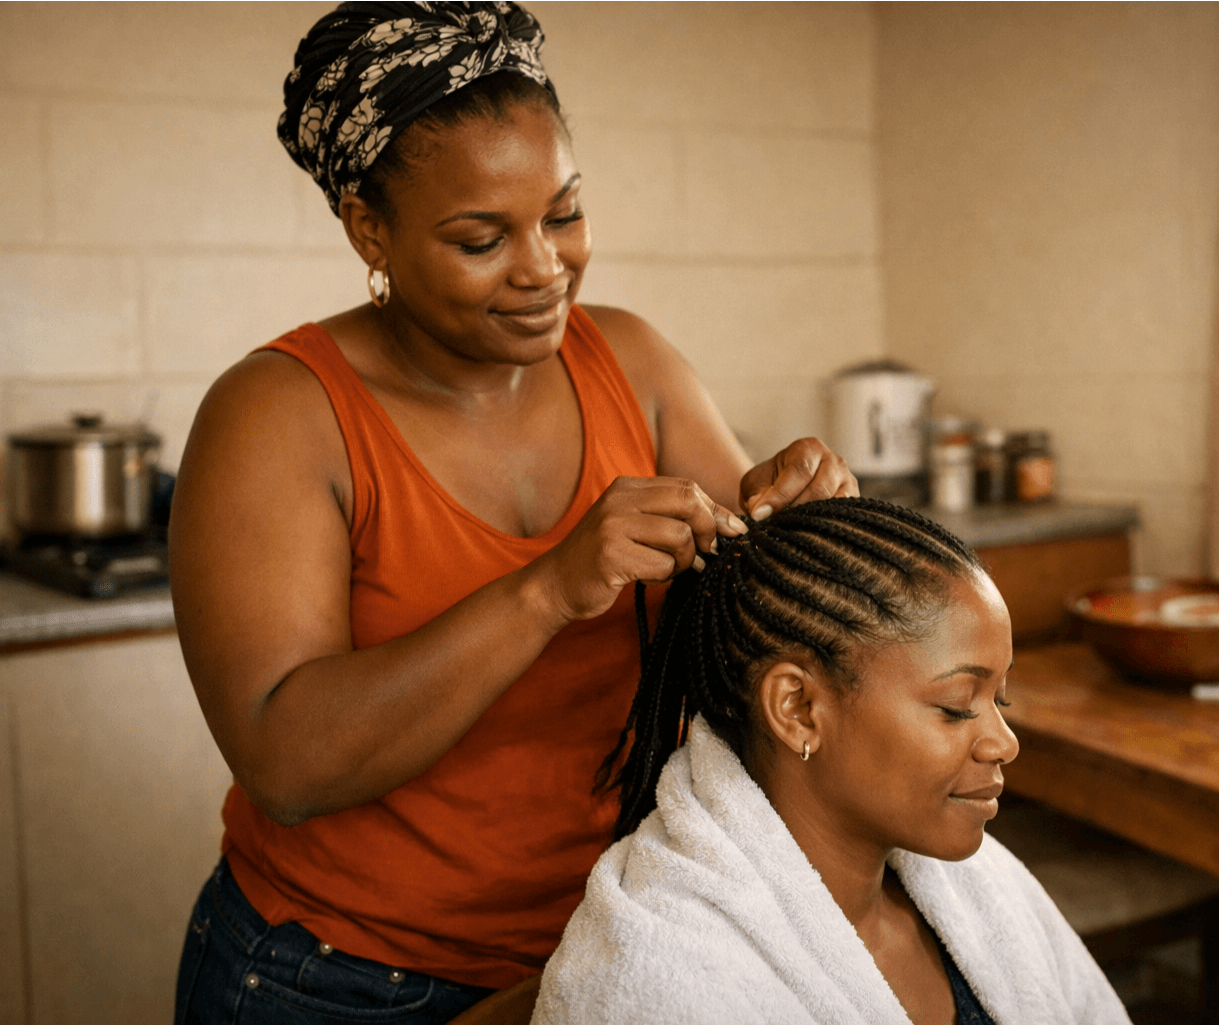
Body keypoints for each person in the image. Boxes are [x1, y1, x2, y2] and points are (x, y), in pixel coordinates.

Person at [168, 3, 855, 1023]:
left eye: (563, 214)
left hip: (611, 943)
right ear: (370, 228)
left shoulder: (634, 361)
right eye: (480, 237)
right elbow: (288, 762)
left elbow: (753, 618)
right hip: (341, 977)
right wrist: (544, 590)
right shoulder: (278, 415)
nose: (543, 267)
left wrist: (804, 524)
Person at [532, 498, 1130, 1025]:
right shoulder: (664, 978)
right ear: (798, 708)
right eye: (955, 706)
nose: (1004, 742)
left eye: (998, 699)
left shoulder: (977, 889)